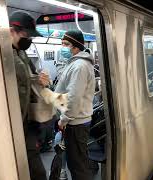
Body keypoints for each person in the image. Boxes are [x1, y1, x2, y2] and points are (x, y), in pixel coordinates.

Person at [10, 11, 50, 180]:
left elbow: (28, 82)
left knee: (37, 172)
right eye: (26, 34)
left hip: (27, 124)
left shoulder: (22, 54)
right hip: (12, 124)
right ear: (12, 31)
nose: (29, 39)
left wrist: (40, 81)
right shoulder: (0, 55)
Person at [55, 30, 95, 180]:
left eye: (66, 44)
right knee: (76, 163)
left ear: (76, 47)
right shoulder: (75, 64)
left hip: (75, 123)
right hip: (74, 121)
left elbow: (74, 97)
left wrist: (64, 119)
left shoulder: (79, 66)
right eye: (62, 44)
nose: (63, 48)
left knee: (78, 166)